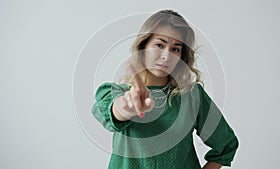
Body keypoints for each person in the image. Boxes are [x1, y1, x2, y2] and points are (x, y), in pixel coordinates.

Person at [92, 9, 239, 169]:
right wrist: (127, 107)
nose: (166, 56)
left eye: (175, 49)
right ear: (144, 46)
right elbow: (113, 112)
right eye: (159, 45)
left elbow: (226, 144)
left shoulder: (192, 96)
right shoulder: (115, 93)